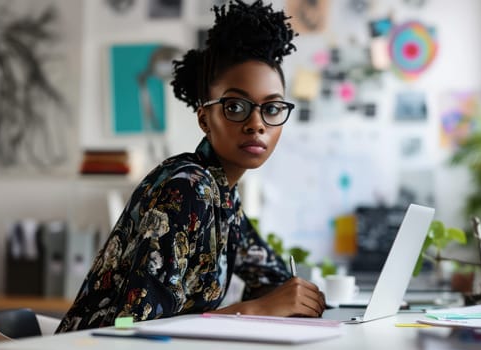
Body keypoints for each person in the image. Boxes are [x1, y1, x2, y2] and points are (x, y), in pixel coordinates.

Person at [56, 0, 325, 332]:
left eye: (271, 109)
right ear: (204, 119)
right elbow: (130, 327)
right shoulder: (186, 187)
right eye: (236, 106)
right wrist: (255, 308)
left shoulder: (224, 196)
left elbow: (272, 279)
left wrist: (299, 297)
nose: (257, 124)